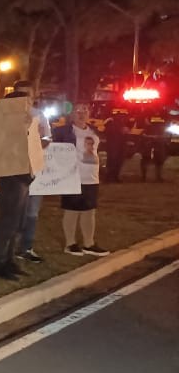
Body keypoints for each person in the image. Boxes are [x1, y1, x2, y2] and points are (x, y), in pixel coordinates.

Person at [0, 90, 41, 281]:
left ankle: (8, 259)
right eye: (25, 103)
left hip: (23, 177)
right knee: (8, 220)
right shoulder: (4, 125)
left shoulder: (26, 124)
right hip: (10, 177)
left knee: (17, 221)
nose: (28, 106)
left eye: (29, 102)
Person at [56, 102, 110, 257]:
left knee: (89, 211)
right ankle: (70, 243)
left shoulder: (94, 132)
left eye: (85, 110)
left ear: (89, 114)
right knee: (72, 211)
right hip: (73, 176)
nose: (81, 113)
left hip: (91, 178)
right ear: (72, 114)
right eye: (78, 111)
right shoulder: (65, 132)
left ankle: (89, 243)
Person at [13, 81, 52, 264]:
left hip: (34, 170)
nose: (23, 96)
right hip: (14, 171)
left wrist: (38, 144)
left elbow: (47, 137)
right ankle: (10, 247)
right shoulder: (8, 114)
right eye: (19, 93)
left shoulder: (39, 115)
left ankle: (26, 247)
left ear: (33, 95)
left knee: (32, 211)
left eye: (27, 93)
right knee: (14, 211)